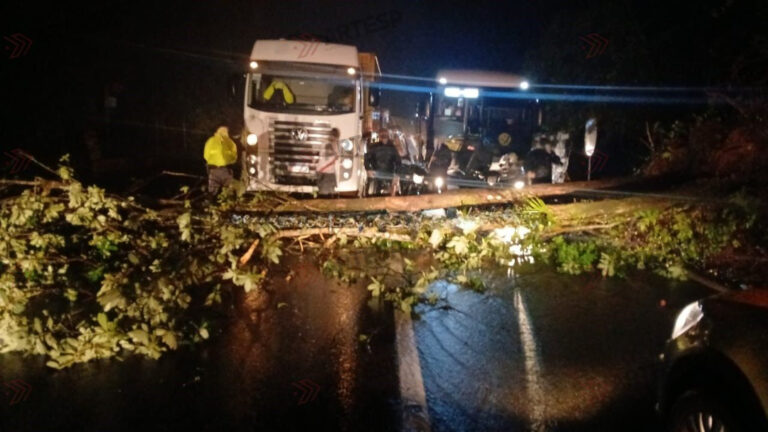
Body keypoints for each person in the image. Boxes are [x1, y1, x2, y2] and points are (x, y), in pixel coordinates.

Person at [203, 126, 238, 195]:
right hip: (226, 170)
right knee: (228, 192)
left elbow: (206, 156)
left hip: (214, 170)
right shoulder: (230, 142)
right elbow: (234, 157)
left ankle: (212, 200)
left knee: (213, 192)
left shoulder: (210, 141)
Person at [317, 128, 340, 195]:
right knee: (326, 192)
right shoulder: (331, 144)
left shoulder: (324, 143)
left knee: (322, 191)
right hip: (327, 172)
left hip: (321, 170)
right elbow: (335, 156)